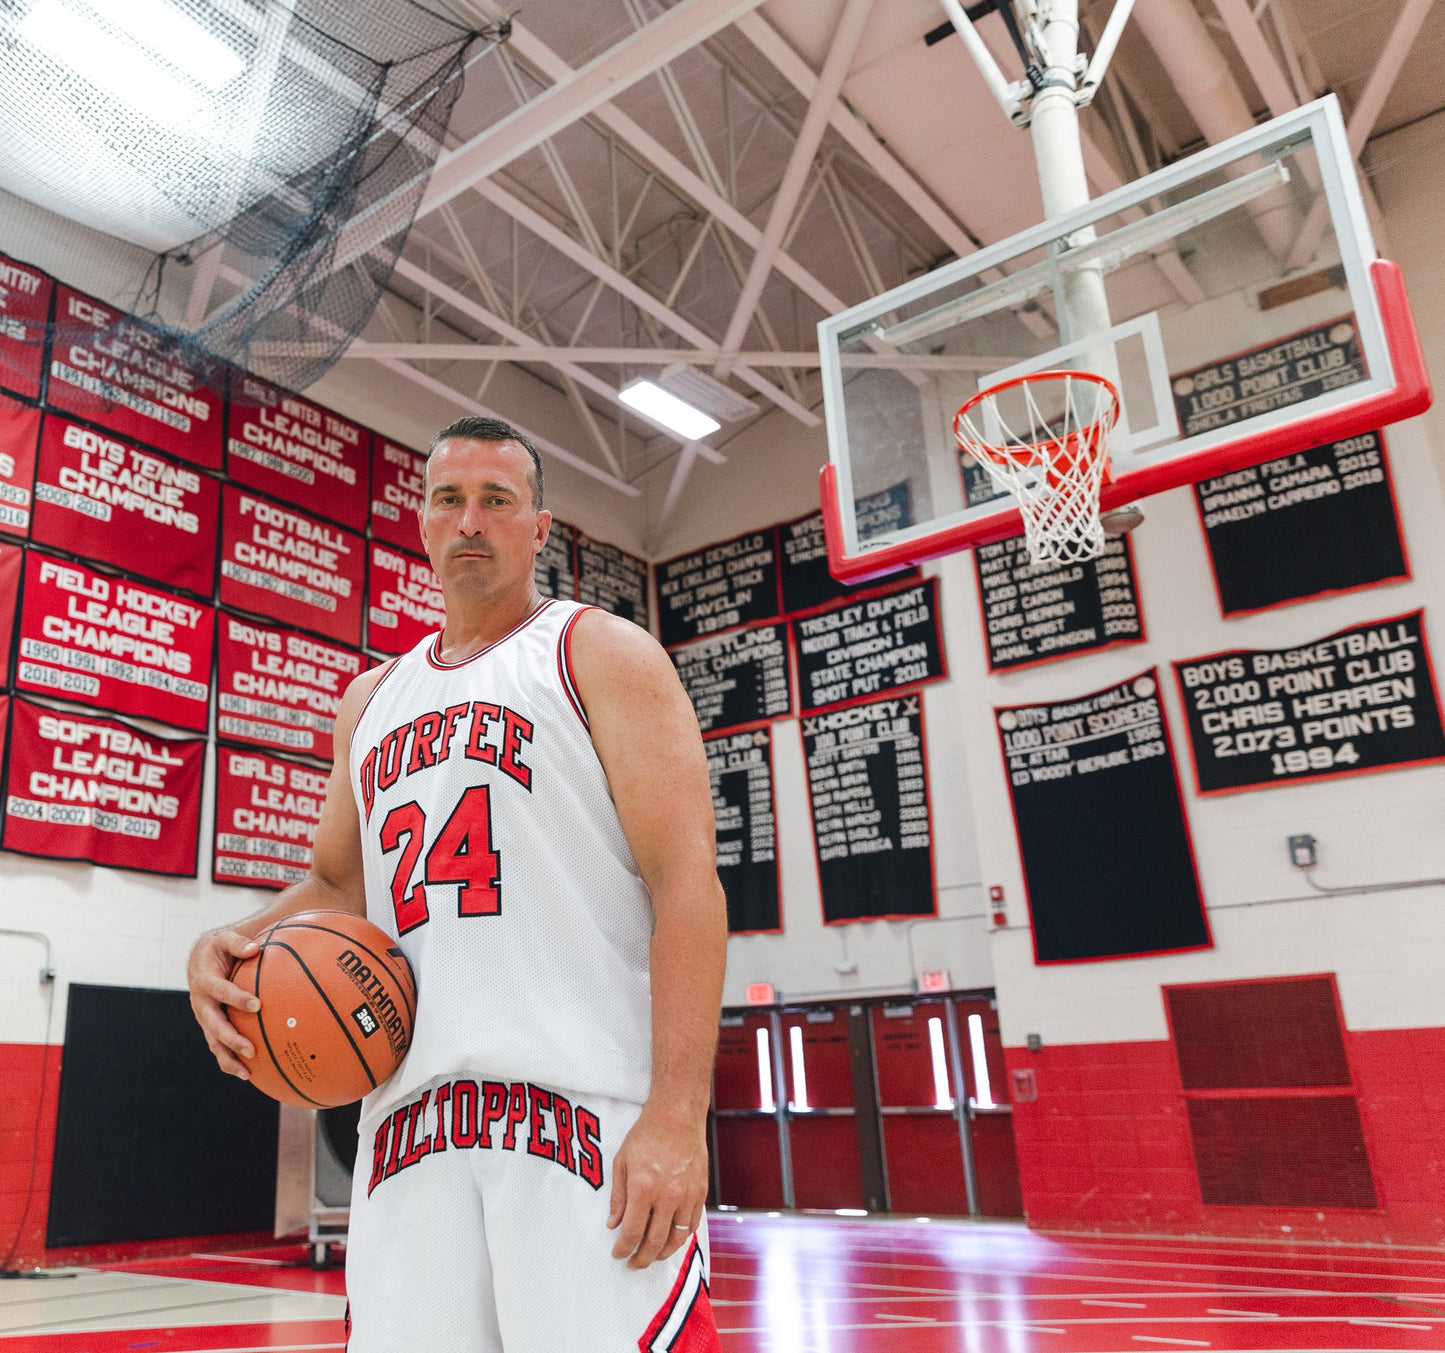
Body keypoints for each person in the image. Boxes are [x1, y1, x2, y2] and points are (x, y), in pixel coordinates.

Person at [188, 415, 728, 1351]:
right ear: (424, 521)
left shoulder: (600, 653)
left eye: (496, 500)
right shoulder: (369, 699)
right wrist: (234, 940)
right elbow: (334, 882)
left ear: (538, 528)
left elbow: (687, 884)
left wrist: (677, 1114)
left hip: (578, 1114)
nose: (470, 520)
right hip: (407, 1126)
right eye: (449, 498)